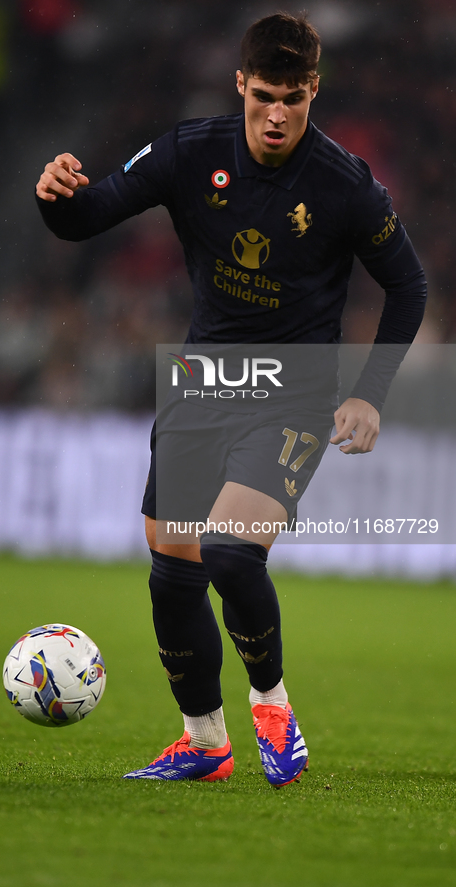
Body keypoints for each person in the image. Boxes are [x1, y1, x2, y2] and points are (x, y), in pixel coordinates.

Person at [35, 13, 426, 786]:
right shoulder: (190, 151)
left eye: (293, 99)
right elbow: (87, 214)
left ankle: (272, 707)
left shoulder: (344, 183)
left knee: (228, 550)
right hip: (201, 384)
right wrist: (54, 198)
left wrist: (367, 395)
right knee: (172, 568)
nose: (277, 115)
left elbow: (406, 283)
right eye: (264, 97)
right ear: (239, 84)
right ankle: (203, 742)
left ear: (313, 91)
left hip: (294, 393)